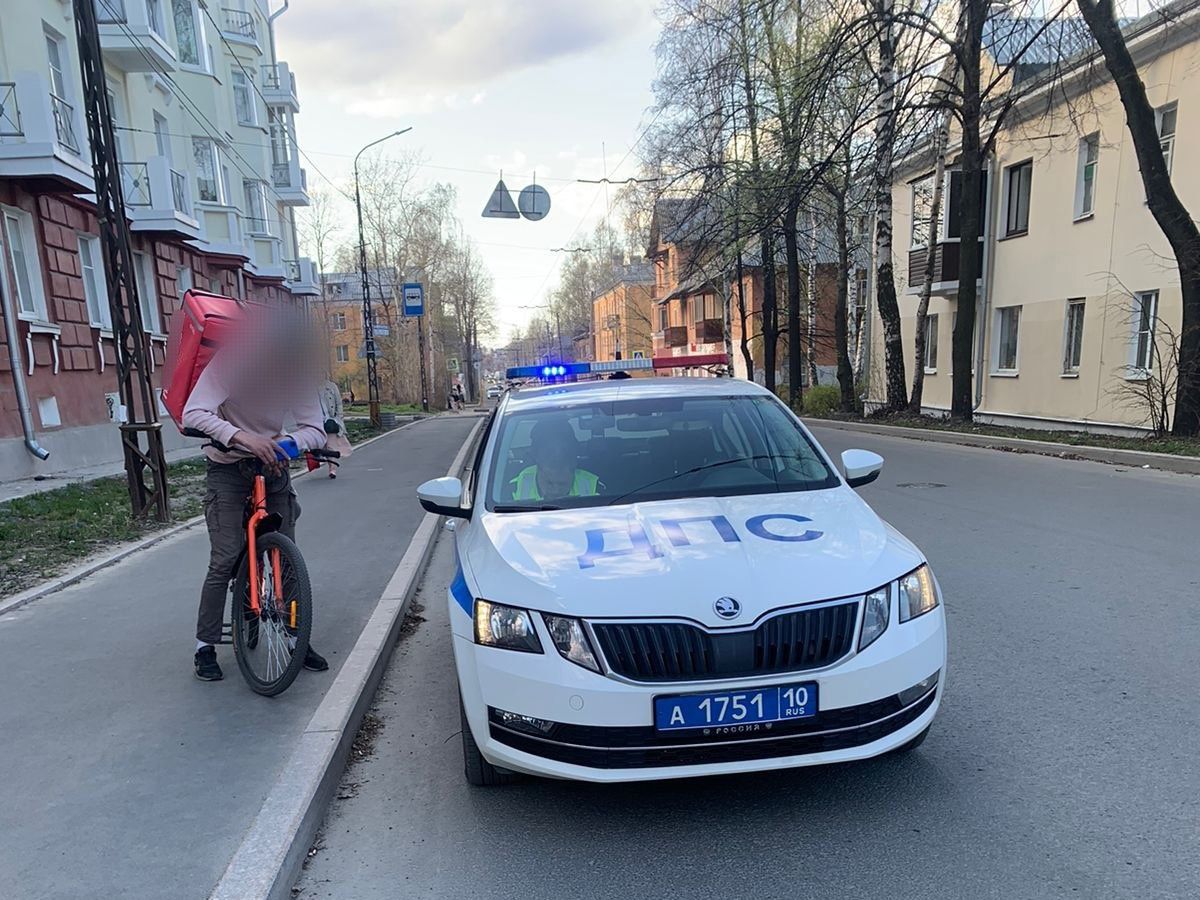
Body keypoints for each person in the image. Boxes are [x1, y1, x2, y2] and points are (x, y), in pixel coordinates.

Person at [182, 317, 330, 682]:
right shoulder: (234, 360)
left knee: (285, 555)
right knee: (226, 556)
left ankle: (296, 636)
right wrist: (241, 437)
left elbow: (315, 426)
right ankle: (204, 646)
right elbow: (194, 412)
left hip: (273, 467)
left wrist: (291, 443)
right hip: (228, 467)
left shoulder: (296, 372)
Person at [510, 419, 600, 501]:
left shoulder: (593, 486)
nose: (556, 491)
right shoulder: (514, 488)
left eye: (562, 484)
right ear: (538, 469)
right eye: (549, 483)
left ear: (573, 472)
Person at [317, 379, 350, 479]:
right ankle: (330, 463)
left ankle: (332, 469)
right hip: (318, 421)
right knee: (323, 447)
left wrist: (339, 418)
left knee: (331, 446)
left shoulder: (331, 387)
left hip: (331, 420)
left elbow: (339, 403)